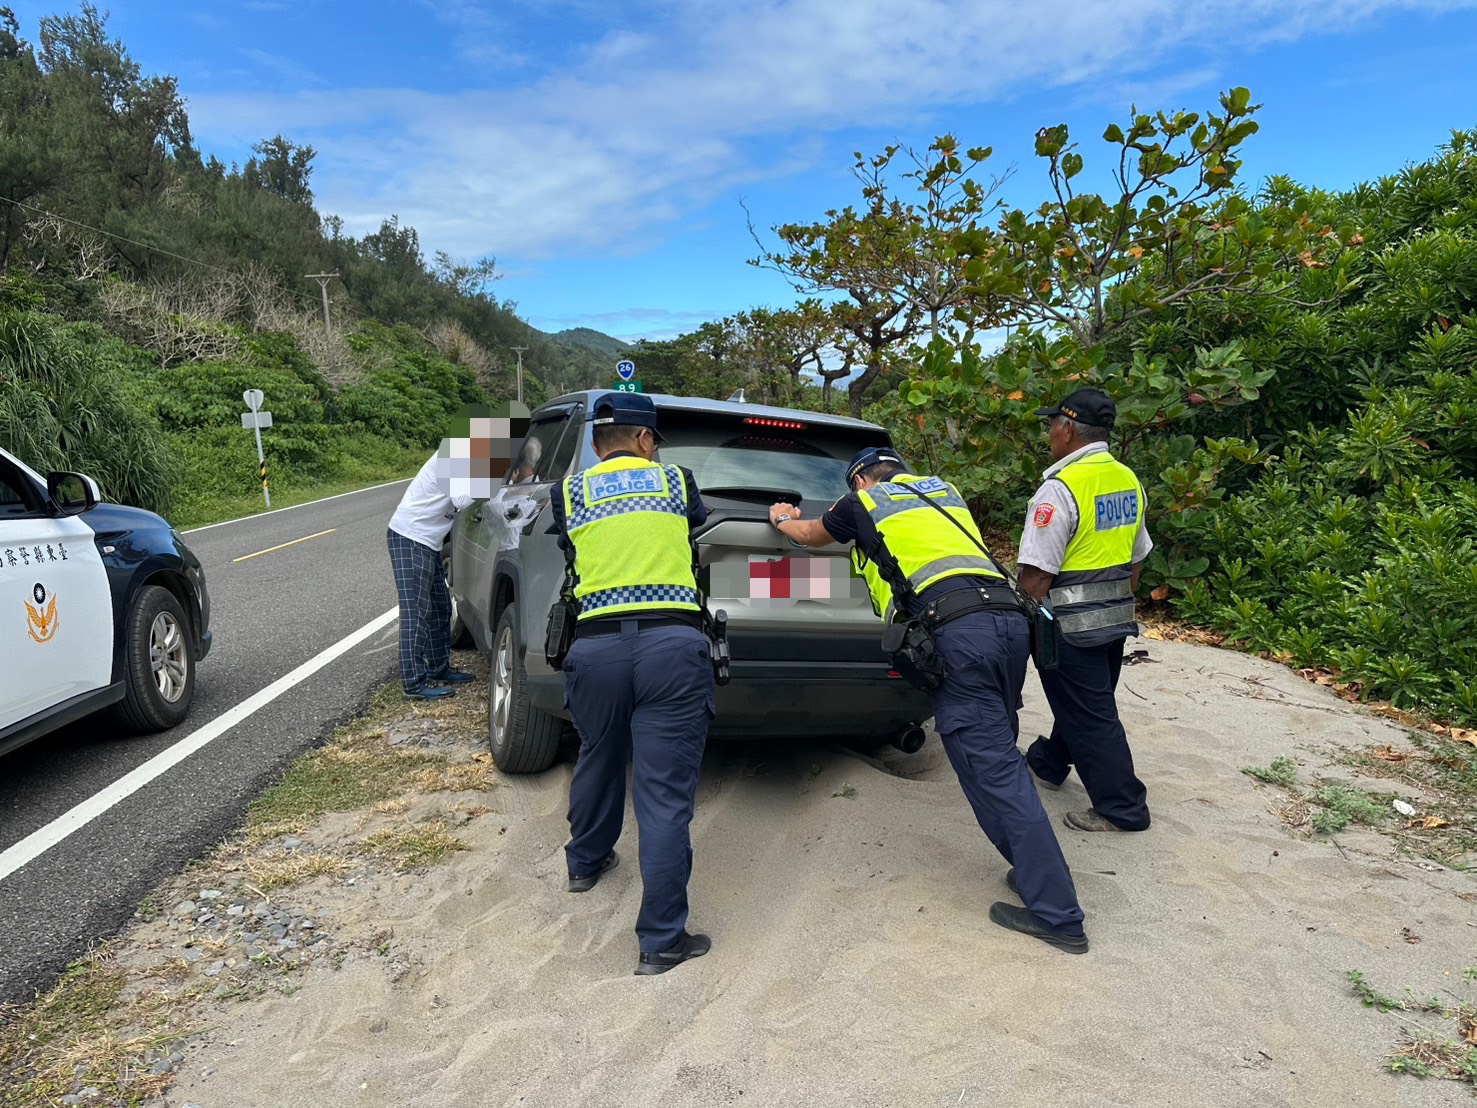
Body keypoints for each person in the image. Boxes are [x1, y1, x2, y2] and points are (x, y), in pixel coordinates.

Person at [768, 448, 1089, 954]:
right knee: (993, 757)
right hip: (1008, 625)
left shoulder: (864, 502)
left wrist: (782, 518)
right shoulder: (944, 491)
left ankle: (1058, 915)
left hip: (960, 633)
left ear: (860, 480)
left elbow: (809, 535)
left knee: (994, 770)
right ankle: (1032, 871)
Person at [551, 391, 715, 976]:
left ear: (597, 442)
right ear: (645, 440)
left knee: (598, 752)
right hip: (671, 646)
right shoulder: (675, 481)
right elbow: (693, 525)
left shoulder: (569, 491)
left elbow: (573, 545)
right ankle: (661, 941)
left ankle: (585, 863)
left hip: (595, 648)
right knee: (663, 797)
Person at [1018, 387, 1153, 834]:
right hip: (1114, 621)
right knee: (1086, 703)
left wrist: (1021, 628)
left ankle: (1122, 809)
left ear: (1068, 429)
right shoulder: (1127, 480)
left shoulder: (1060, 490)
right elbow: (1137, 558)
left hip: (1068, 628)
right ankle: (1049, 762)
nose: (1049, 433)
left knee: (1093, 716)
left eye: (1051, 424)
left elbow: (1036, 577)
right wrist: (1115, 605)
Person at [386, 433, 489, 701]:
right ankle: (413, 683)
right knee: (417, 612)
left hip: (427, 542)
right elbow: (463, 500)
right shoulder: (452, 456)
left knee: (441, 606)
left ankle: (439, 668)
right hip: (410, 537)